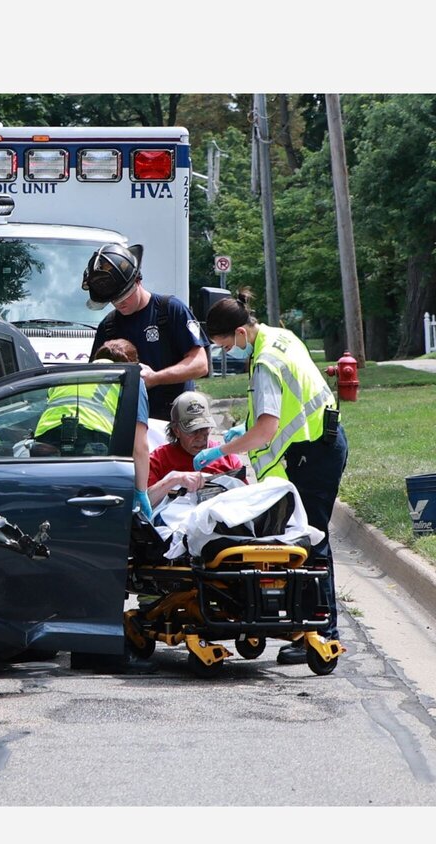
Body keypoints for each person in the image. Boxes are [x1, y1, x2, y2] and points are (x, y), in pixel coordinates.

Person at [194, 298, 348, 664]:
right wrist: (242, 427)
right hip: (322, 445)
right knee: (307, 539)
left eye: (227, 345)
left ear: (241, 332)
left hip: (311, 456)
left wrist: (222, 450)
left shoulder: (264, 363)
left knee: (311, 540)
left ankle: (323, 634)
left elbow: (266, 430)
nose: (228, 352)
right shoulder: (281, 337)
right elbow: (280, 408)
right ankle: (309, 627)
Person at [82, 243, 210, 421]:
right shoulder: (108, 326)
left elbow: (201, 364)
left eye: (124, 296)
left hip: (174, 423)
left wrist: (155, 378)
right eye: (113, 300)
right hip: (129, 424)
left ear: (138, 281)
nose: (119, 304)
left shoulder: (171, 310)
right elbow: (95, 379)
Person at [30, 337, 151, 518]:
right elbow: (139, 446)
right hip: (90, 445)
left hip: (44, 444)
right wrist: (141, 492)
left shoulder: (69, 374)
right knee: (89, 512)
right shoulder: (130, 379)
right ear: (133, 363)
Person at [147, 391, 243, 508]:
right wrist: (174, 480)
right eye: (192, 431)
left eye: (204, 429)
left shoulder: (228, 458)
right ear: (176, 430)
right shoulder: (159, 459)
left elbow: (247, 501)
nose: (200, 437)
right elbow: (145, 503)